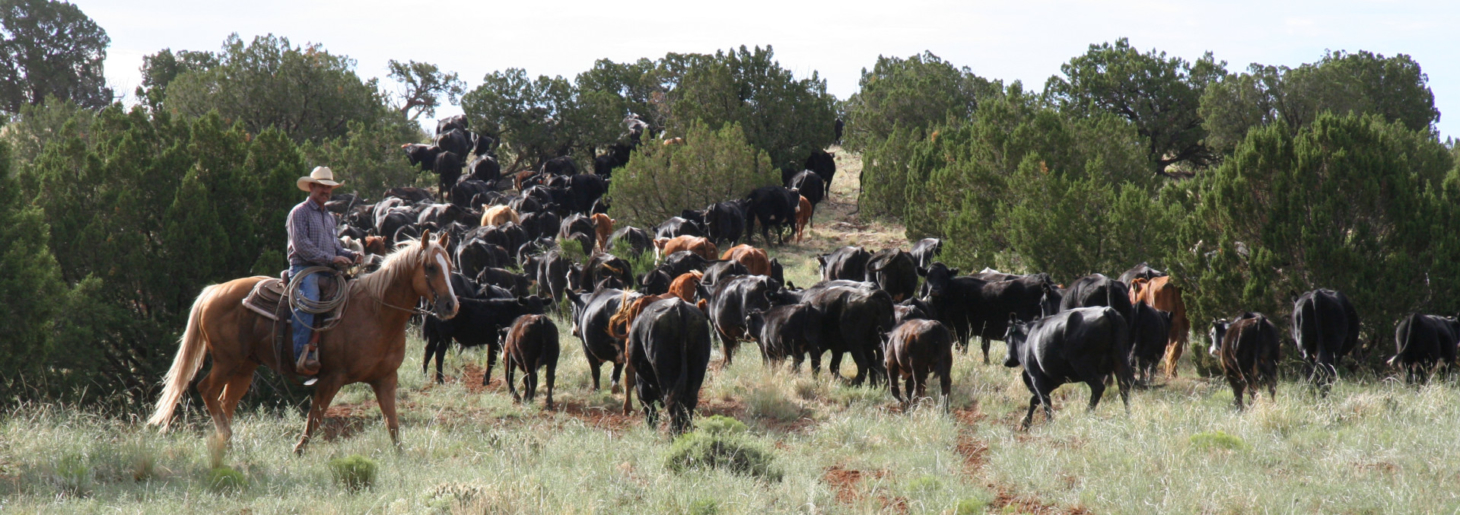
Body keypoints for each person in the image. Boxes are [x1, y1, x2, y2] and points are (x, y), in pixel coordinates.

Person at [287, 166, 361, 381]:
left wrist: (351, 254)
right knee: (309, 301)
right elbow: (301, 246)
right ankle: (301, 355)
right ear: (312, 187)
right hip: (305, 269)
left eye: (329, 188)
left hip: (327, 270)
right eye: (322, 187)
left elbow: (335, 246)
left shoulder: (329, 217)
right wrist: (332, 259)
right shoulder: (298, 212)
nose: (326, 192)